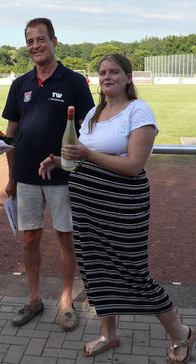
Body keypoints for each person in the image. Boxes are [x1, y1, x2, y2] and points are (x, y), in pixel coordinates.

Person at [39, 53, 195, 363]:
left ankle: (182, 334)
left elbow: (134, 166)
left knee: (133, 272)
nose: (107, 77)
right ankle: (109, 334)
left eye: (114, 72)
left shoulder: (139, 111)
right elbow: (82, 155)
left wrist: (86, 154)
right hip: (87, 208)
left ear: (128, 77)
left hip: (122, 207)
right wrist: (59, 161)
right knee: (95, 271)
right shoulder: (94, 113)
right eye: (102, 72)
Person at [2, 18, 95, 331]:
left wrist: (72, 161)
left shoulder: (74, 82)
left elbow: (89, 131)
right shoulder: (20, 84)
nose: (35, 46)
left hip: (63, 177)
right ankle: (34, 298)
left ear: (54, 41)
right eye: (30, 41)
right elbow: (10, 136)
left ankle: (66, 300)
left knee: (66, 239)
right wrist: (12, 177)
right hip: (27, 178)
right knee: (30, 239)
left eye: (40, 39)